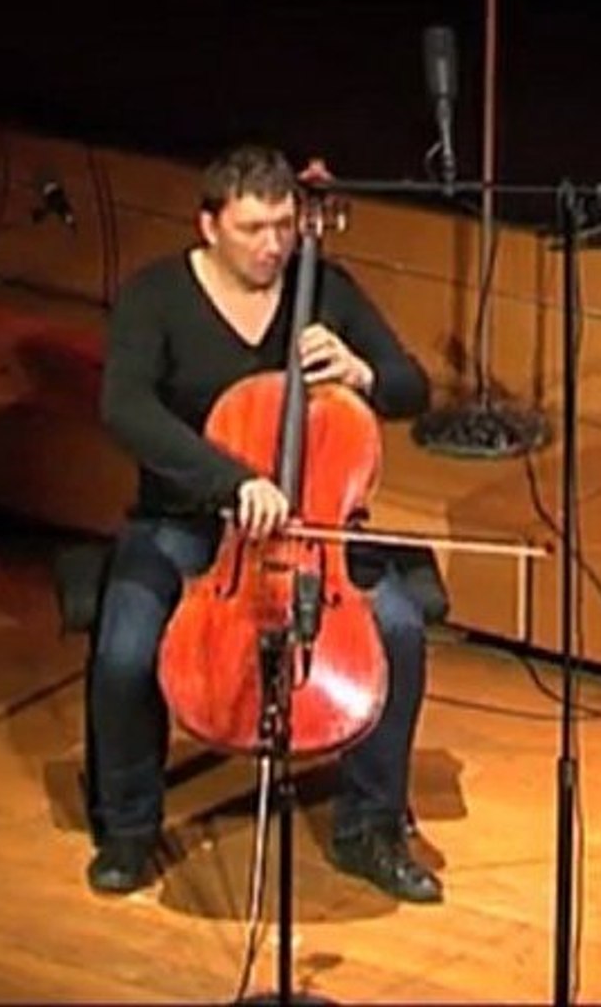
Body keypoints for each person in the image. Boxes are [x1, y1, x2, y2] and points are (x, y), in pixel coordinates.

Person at [86, 143, 441, 903]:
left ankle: (370, 828)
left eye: (283, 226)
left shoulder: (325, 289)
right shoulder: (156, 296)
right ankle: (129, 827)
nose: (274, 245)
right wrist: (233, 479)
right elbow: (125, 408)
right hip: (188, 521)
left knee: (400, 632)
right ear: (209, 224)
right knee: (124, 653)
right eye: (253, 228)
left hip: (314, 528)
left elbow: (414, 388)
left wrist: (362, 373)